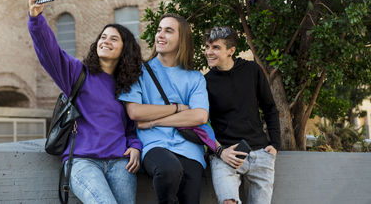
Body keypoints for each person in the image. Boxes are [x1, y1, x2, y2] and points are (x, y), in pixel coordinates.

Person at [28, 0, 142, 204]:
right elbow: (49, 52)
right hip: (82, 161)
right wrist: (36, 18)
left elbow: (130, 127)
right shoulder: (77, 73)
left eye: (114, 39)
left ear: (125, 49)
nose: (105, 41)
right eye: (103, 37)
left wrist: (135, 146)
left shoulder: (128, 85)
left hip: (121, 162)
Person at [119, 13, 209, 204]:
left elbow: (200, 116)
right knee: (168, 169)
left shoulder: (195, 78)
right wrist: (177, 108)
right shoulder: (139, 72)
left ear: (182, 39)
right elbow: (135, 112)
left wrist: (153, 121)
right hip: (154, 144)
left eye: (168, 31)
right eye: (159, 30)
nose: (160, 35)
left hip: (189, 148)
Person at [204, 26, 281, 204]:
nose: (209, 52)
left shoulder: (252, 71)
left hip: (260, 154)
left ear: (231, 50)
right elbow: (201, 123)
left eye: (216, 47)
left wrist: (275, 144)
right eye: (207, 47)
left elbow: (270, 107)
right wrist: (218, 150)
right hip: (225, 157)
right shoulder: (205, 82)